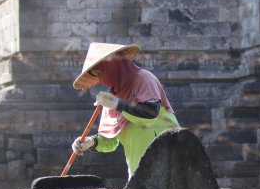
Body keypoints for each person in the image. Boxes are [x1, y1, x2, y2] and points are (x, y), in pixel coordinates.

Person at [71, 42, 179, 177]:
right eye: (97, 76)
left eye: (100, 73)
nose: (101, 80)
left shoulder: (143, 78)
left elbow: (150, 114)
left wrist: (117, 103)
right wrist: (91, 142)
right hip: (139, 171)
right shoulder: (111, 98)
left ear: (113, 66)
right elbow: (111, 141)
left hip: (171, 163)